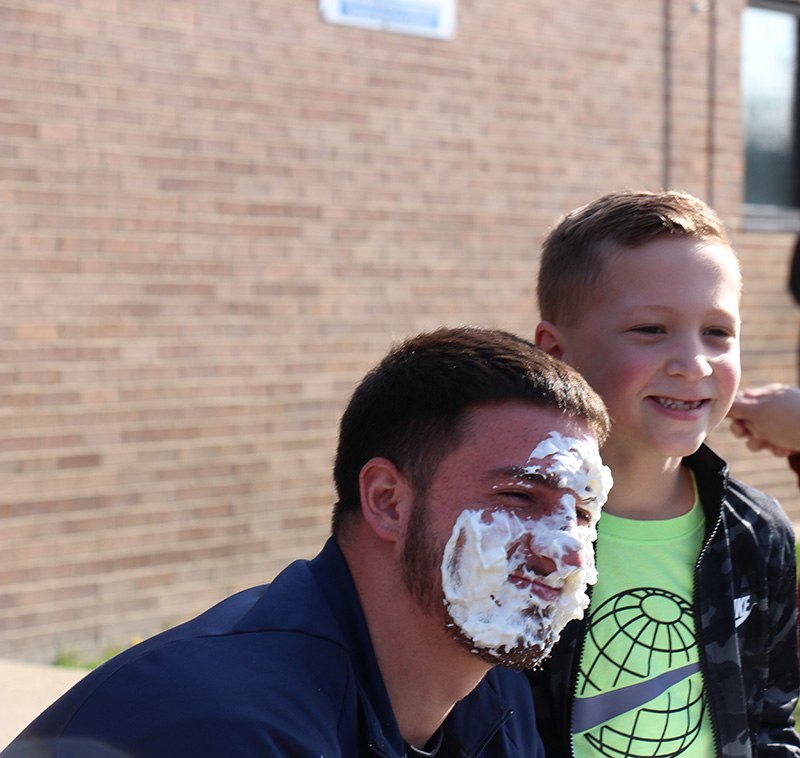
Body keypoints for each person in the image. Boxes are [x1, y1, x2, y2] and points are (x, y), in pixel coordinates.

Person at [3, 326, 613, 758]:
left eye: (584, 513)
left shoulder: (491, 690)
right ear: (387, 502)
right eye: (518, 498)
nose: (568, 552)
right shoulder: (221, 728)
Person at [531, 190, 800, 757]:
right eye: (652, 329)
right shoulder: (505, 525)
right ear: (557, 352)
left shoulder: (759, 534)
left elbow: (770, 721)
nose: (694, 363)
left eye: (718, 332)